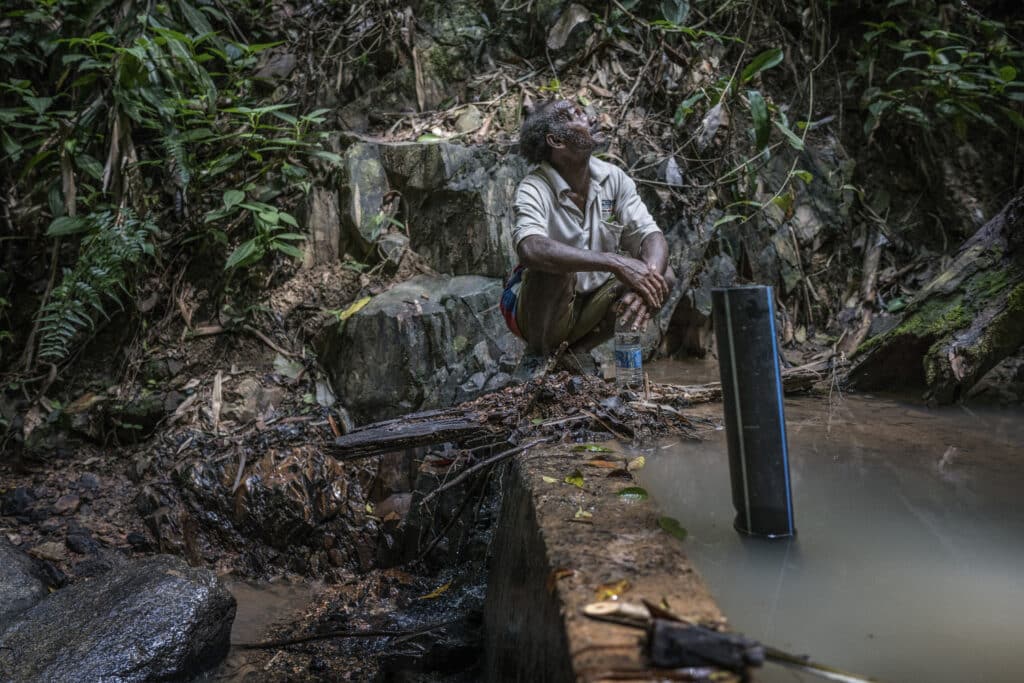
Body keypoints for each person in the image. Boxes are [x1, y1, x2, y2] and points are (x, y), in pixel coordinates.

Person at [500, 99, 674, 368]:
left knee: (661, 275)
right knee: (554, 269)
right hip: (540, 314)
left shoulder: (613, 179)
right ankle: (540, 356)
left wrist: (645, 282)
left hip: (591, 304)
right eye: (576, 114)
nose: (591, 117)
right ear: (556, 141)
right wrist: (614, 261)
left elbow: (651, 235)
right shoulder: (534, 188)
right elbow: (530, 248)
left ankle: (574, 354)